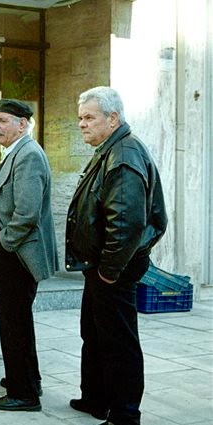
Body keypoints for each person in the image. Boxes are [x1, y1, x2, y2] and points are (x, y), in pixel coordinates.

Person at [66, 87, 167, 425]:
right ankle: (96, 398)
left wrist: (109, 271)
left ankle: (124, 414)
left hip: (113, 269)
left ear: (113, 118)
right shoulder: (110, 149)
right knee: (95, 333)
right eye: (80, 117)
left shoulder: (123, 155)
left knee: (118, 341)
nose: (82, 124)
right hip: (101, 266)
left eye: (89, 117)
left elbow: (126, 223)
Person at [0, 99, 57, 412]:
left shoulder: (27, 154)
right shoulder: (19, 151)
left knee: (15, 323)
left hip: (16, 255)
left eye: (2, 120)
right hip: (12, 253)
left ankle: (23, 393)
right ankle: (26, 379)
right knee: (17, 321)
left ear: (22, 124)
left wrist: (4, 243)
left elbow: (26, 213)